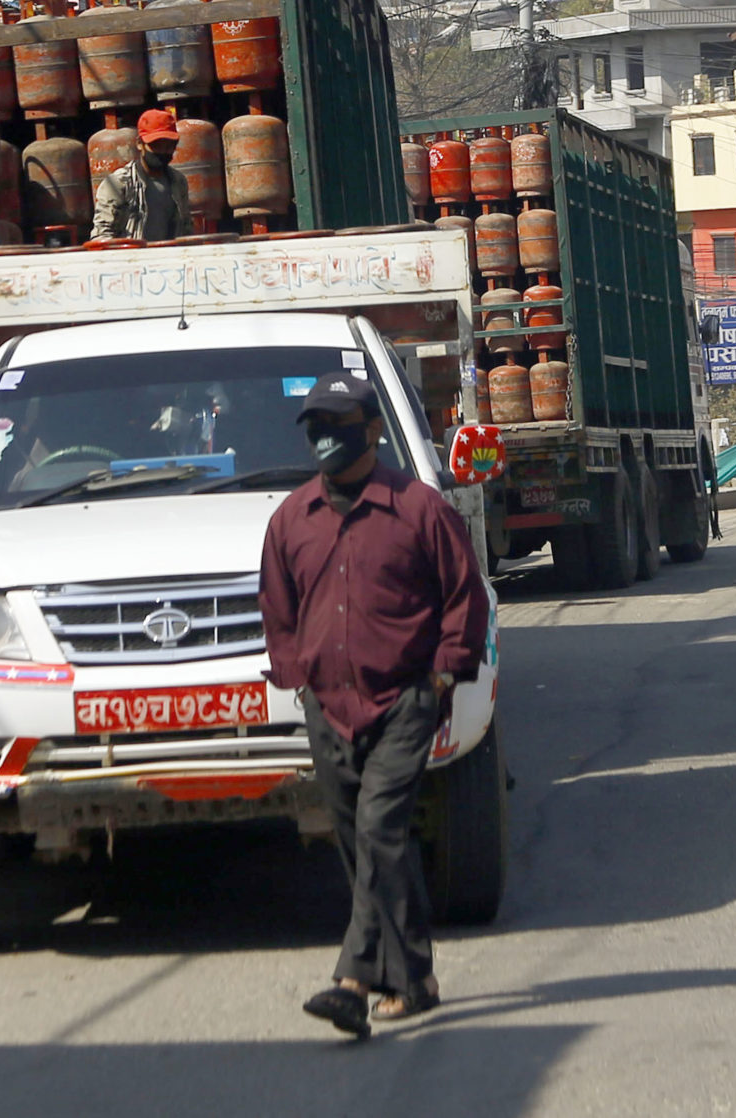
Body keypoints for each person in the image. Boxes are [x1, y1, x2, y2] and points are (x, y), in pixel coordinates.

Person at [258, 371, 489, 1038]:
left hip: (406, 698)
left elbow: (462, 600)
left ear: (373, 430)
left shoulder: (420, 509)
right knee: (366, 848)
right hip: (328, 704)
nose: (326, 439)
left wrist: (443, 680)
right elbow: (277, 610)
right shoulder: (291, 519)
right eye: (316, 428)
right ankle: (415, 979)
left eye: (339, 426)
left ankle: (353, 979)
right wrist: (296, 672)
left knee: (382, 829)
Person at [91, 107, 193, 242]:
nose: (163, 152)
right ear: (140, 144)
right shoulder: (120, 183)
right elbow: (102, 235)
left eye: (168, 147)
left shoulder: (178, 181)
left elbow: (186, 228)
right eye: (156, 146)